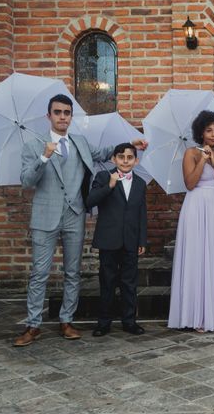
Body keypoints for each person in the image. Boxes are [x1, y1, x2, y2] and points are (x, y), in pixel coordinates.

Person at [15, 94, 147, 347]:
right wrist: (44, 157)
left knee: (72, 273)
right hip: (45, 217)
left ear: (71, 116)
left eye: (67, 112)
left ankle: (67, 320)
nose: (62, 116)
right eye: (58, 112)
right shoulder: (34, 145)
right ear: (49, 116)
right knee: (39, 273)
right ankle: (33, 325)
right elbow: (26, 182)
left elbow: (105, 153)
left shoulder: (79, 142)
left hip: (74, 215)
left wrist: (131, 143)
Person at [168, 110, 214, 332]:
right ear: (201, 132)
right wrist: (203, 160)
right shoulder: (191, 153)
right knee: (197, 256)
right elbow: (189, 183)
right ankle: (196, 315)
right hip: (196, 206)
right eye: (209, 130)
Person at [86, 143, 147, 337]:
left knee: (129, 283)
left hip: (131, 240)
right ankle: (104, 323)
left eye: (130, 157)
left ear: (136, 161)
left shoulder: (140, 183)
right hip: (108, 240)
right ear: (113, 159)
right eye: (121, 157)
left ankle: (129, 321)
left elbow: (141, 214)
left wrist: (142, 241)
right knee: (107, 282)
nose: (125, 161)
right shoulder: (104, 177)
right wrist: (110, 186)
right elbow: (90, 200)